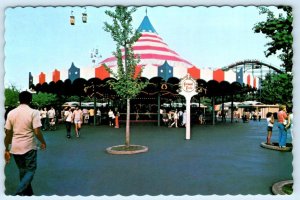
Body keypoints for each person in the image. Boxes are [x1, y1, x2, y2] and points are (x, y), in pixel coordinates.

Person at [4, 91, 47, 196]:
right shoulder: (34, 112)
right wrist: (43, 142)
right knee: (31, 170)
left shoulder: (11, 113)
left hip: (15, 147)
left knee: (23, 171)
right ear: (30, 100)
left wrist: (6, 149)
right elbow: (37, 131)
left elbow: (8, 133)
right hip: (29, 146)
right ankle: (19, 192)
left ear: (19, 99)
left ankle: (27, 194)